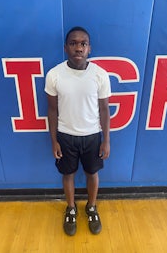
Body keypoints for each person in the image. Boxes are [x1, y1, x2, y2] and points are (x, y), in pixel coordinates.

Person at [44, 26, 111, 236]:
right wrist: (54, 140)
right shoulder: (54, 75)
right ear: (66, 48)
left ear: (89, 48)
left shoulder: (100, 75)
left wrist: (106, 140)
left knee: (92, 173)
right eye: (73, 43)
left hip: (92, 136)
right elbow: (52, 110)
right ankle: (71, 208)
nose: (78, 48)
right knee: (68, 174)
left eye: (83, 43)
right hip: (65, 136)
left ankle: (91, 207)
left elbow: (104, 109)